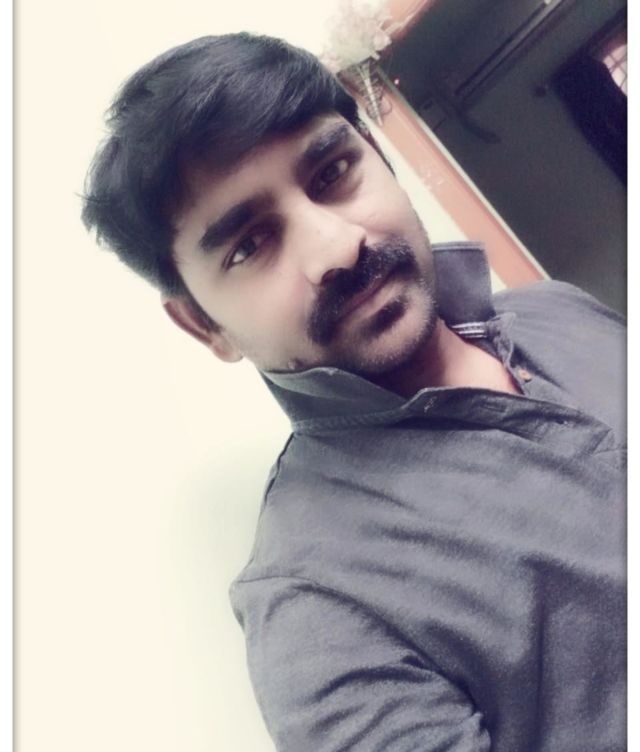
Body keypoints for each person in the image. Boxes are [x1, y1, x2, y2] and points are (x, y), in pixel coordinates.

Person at [82, 33, 626, 752]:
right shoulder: (319, 610)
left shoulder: (559, 309)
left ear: (378, 155)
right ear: (203, 324)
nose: (337, 248)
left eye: (333, 171)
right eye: (250, 245)